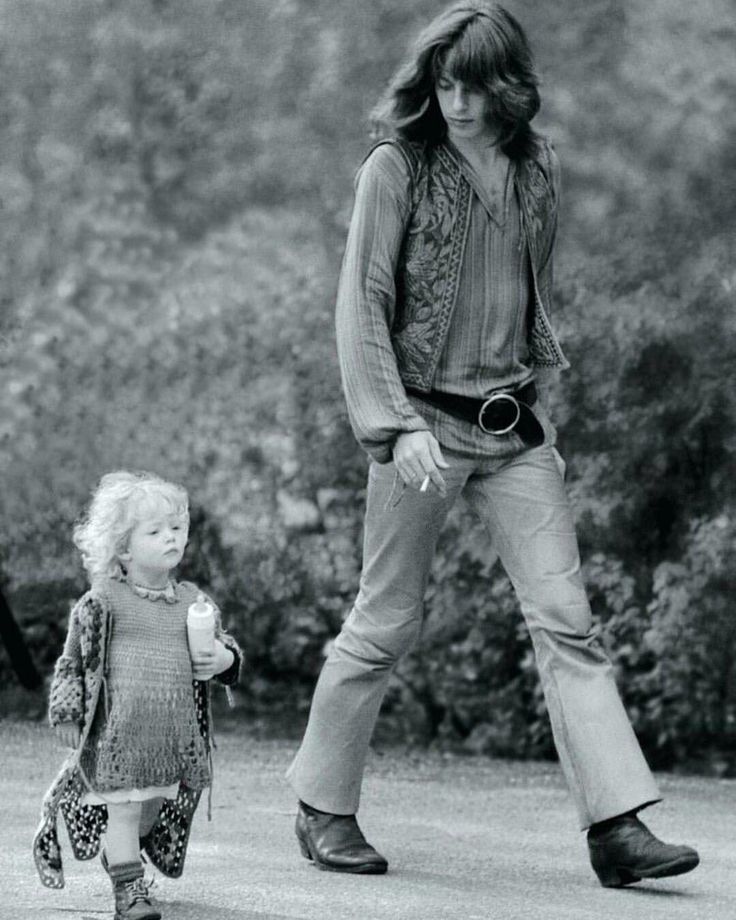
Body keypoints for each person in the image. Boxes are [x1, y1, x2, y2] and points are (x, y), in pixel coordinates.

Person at [287, 1, 699, 888]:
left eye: (475, 87)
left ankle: (617, 829)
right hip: (420, 428)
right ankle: (322, 807)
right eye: (444, 85)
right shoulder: (396, 167)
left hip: (514, 432)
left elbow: (522, 288)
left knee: (568, 623)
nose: (460, 105)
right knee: (388, 619)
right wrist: (394, 430)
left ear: (509, 87)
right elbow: (360, 305)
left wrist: (522, 379)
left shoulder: (536, 167)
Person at [33, 471, 241, 919]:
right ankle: (129, 892)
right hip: (118, 740)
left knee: (149, 810)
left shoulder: (192, 603)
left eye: (177, 528)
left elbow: (224, 645)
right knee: (124, 811)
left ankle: (121, 857)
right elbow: (73, 660)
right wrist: (67, 714)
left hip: (169, 741)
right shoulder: (104, 601)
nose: (171, 537)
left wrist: (222, 661)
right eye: (156, 531)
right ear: (123, 548)